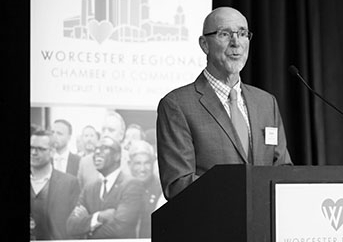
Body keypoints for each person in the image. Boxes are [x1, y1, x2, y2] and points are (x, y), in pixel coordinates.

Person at [156, 7, 292, 200]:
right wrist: (240, 192)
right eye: (224, 34)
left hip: (263, 225)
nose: (236, 42)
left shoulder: (266, 102)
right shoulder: (177, 105)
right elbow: (177, 184)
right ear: (204, 44)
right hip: (212, 224)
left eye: (243, 33)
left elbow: (283, 170)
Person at [66, 137, 144, 239]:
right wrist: (98, 217)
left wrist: (87, 230)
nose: (97, 152)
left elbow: (120, 228)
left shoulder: (131, 185)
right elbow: (71, 226)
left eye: (104, 148)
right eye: (96, 149)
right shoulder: (89, 188)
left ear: (117, 156)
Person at [30, 130, 80, 240]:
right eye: (31, 147)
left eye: (41, 149)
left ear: (52, 152)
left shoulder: (69, 183)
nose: (33, 152)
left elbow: (74, 228)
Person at [77, 111, 131, 188]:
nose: (106, 134)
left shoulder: (131, 160)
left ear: (121, 135)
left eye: (111, 130)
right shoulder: (86, 163)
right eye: (103, 130)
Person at [127, 140, 165, 238]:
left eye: (147, 163)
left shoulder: (162, 190)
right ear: (129, 164)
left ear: (153, 163)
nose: (142, 169)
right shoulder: (122, 188)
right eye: (137, 163)